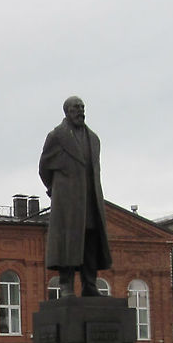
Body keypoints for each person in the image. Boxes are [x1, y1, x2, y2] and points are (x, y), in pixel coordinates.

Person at [38, 96, 112, 298]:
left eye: (82, 107)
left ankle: (89, 284)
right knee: (68, 241)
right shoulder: (56, 136)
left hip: (90, 198)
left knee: (89, 240)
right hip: (68, 199)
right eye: (75, 108)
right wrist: (56, 189)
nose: (80, 111)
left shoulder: (94, 139)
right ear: (67, 112)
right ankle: (67, 285)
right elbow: (44, 167)